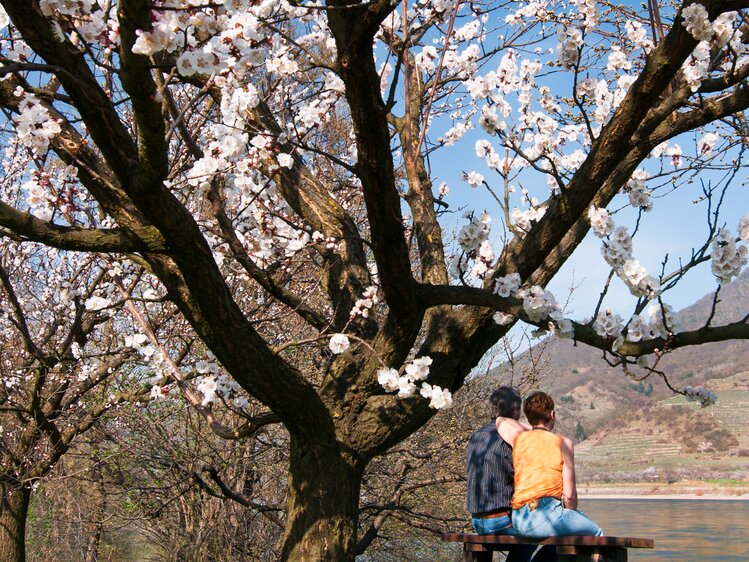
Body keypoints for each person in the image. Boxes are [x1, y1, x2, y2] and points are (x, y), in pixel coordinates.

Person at [466, 387, 556, 562]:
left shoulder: (476, 436)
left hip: (477, 521)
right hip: (500, 522)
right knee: (552, 534)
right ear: (515, 410)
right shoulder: (511, 438)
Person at [499, 391, 603, 539]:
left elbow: (501, 420)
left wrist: (533, 427)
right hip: (545, 515)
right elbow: (569, 496)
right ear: (552, 414)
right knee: (597, 534)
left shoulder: (518, 439)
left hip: (519, 519)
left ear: (528, 417)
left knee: (561, 538)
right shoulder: (564, 443)